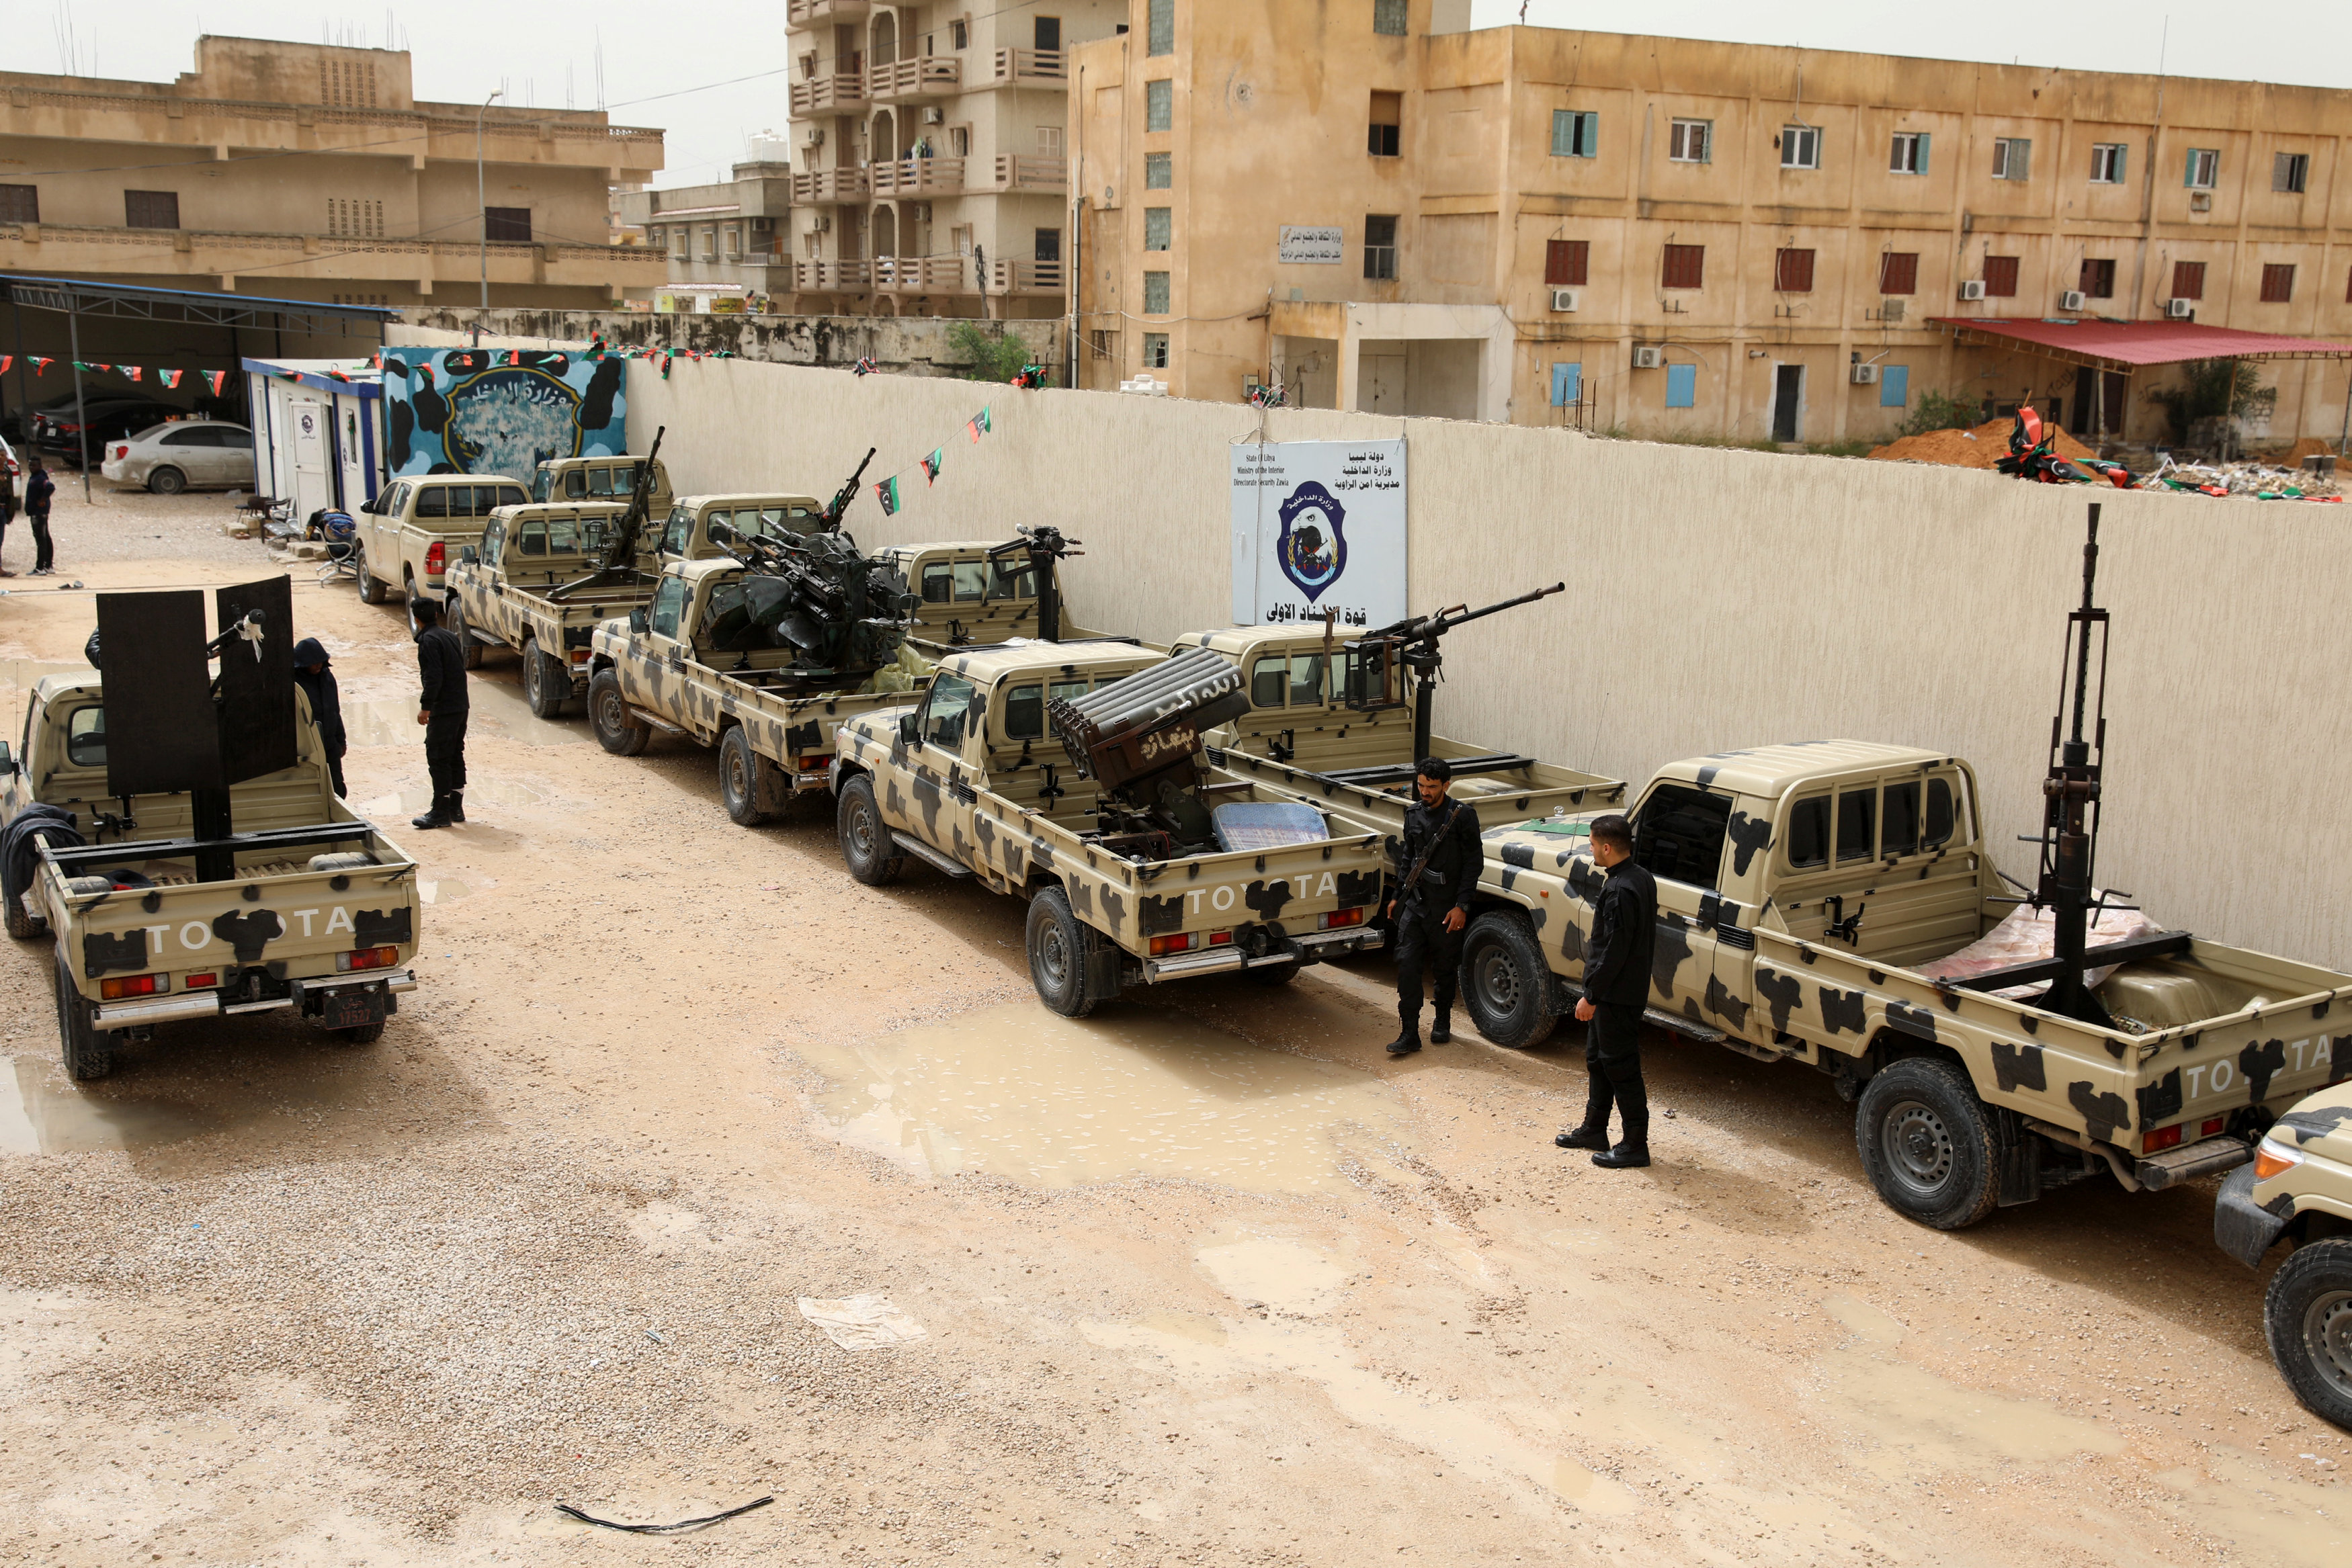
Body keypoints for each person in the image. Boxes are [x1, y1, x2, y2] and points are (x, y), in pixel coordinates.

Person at [1555, 814, 1656, 1168]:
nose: (1591, 849)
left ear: (1608, 847)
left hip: (1616, 996)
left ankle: (1634, 1145)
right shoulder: (1639, 877)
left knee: (1621, 1067)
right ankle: (1594, 1129)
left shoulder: (1619, 889)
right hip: (1618, 992)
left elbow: (1615, 950)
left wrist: (1591, 996)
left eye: (1594, 844)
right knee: (1598, 1061)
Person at [1384, 756, 1481, 1056]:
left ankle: (1442, 1021)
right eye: (1421, 785)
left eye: (1432, 787)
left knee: (1444, 967)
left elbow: (1473, 863)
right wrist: (1398, 895)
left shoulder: (1462, 816)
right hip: (1416, 905)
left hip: (1446, 907)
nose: (1425, 792)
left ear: (1446, 785)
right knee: (1408, 967)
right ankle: (1409, 1032)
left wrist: (1462, 905)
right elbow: (1408, 859)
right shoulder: (1413, 814)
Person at [411, 599, 468, 829]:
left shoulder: (428, 641)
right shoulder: (449, 636)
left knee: (438, 757)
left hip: (444, 709)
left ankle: (440, 812)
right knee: (455, 754)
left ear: (416, 619)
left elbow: (433, 677)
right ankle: (456, 807)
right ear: (436, 613)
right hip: (461, 705)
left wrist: (426, 706)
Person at [292, 637, 350, 799]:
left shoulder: (327, 678)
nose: (318, 665)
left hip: (330, 743)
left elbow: (334, 710)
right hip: (307, 747)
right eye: (314, 662)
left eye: (320, 662)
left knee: (337, 787)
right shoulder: (294, 684)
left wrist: (341, 740)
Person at [23, 456, 55, 577]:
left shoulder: (40, 478)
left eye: (34, 465)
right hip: (38, 512)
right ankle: (48, 565)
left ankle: (40, 567)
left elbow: (50, 487)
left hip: (38, 513)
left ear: (40, 466)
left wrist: (43, 499)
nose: (31, 468)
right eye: (30, 465)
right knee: (46, 537)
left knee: (41, 539)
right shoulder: (37, 477)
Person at [0, 460, 16, 577]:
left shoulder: (7, 472)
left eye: (3, 455)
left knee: (0, 540)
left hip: (4, 509)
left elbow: (10, 493)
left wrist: (10, 512)